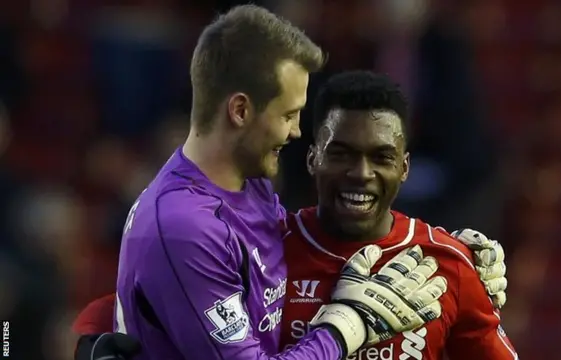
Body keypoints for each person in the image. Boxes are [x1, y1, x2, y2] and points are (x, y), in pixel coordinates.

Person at [74, 71, 513, 360]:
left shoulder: (445, 263)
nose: (360, 174)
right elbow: (158, 303)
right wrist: (100, 342)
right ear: (312, 160)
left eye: (381, 157)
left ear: (404, 167)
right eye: (340, 154)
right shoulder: (264, 246)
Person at [103, 5, 452, 360]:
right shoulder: (185, 227)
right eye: (288, 114)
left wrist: (448, 255)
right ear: (240, 111)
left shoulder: (248, 184)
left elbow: (304, 251)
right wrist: (347, 326)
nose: (297, 130)